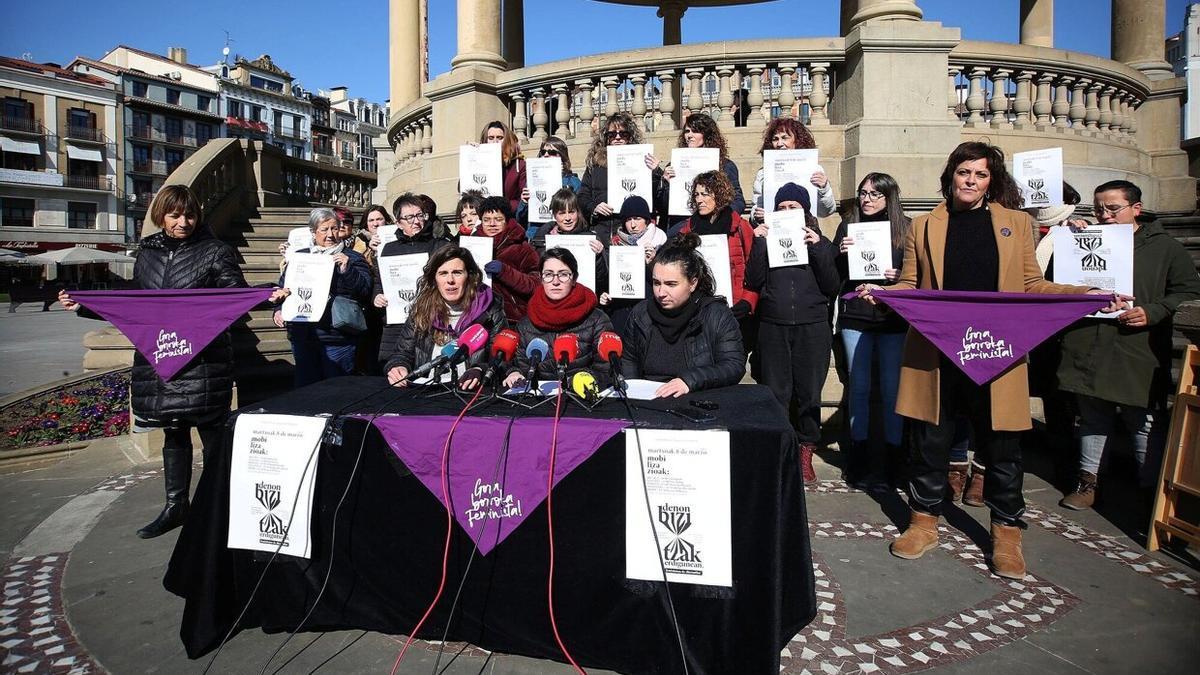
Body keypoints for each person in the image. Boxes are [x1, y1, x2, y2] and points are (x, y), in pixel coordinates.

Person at [858, 141, 1124, 580]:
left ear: (991, 181)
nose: (971, 181)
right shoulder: (923, 226)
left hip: (997, 354)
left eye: (980, 175)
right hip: (938, 355)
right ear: (951, 176)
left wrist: (1084, 295)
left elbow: (1032, 285)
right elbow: (910, 284)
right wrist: (884, 296)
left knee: (1002, 449)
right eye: (964, 172)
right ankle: (923, 523)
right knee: (930, 444)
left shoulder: (1017, 223)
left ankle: (1006, 532)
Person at [59, 185, 285, 539]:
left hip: (205, 359)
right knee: (173, 431)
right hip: (159, 355)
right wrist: (85, 306)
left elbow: (232, 292)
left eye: (190, 215)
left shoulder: (214, 251)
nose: (184, 222)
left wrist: (265, 295)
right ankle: (175, 506)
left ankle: (216, 509)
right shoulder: (146, 254)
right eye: (175, 215)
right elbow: (137, 301)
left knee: (212, 433)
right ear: (160, 215)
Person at [1056, 180, 1200, 511]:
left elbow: (1188, 291)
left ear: (1136, 208)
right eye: (1098, 209)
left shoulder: (1166, 248)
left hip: (1138, 347)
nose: (1104, 216)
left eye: (1112, 208)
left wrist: (1153, 311)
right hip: (1090, 344)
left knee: (1143, 421)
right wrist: (1069, 238)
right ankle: (1087, 481)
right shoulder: (1085, 237)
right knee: (1092, 417)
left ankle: (1152, 490)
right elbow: (1058, 280)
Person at [748, 183, 839, 484]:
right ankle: (781, 448)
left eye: (793, 207)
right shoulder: (766, 239)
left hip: (812, 326)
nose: (787, 212)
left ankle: (806, 449)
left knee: (809, 393)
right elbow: (754, 279)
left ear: (805, 211)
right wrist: (759, 243)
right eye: (782, 208)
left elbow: (831, 285)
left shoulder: (820, 242)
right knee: (776, 392)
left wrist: (818, 249)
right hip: (773, 325)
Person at [832, 173, 911, 490]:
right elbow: (835, 277)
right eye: (863, 193)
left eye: (875, 194)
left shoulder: (905, 227)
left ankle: (895, 458)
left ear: (888, 197)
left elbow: (918, 273)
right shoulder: (848, 226)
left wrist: (899, 274)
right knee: (859, 388)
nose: (867, 199)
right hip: (857, 318)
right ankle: (858, 456)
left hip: (892, 320)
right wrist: (840, 253)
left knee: (893, 391)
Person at [621, 233, 746, 397]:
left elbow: (733, 365)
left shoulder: (716, 315)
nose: (661, 292)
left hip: (698, 399)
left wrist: (689, 381)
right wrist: (632, 394)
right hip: (647, 402)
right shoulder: (640, 314)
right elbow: (629, 361)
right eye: (656, 283)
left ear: (693, 283)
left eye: (671, 284)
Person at [380, 245, 508, 387]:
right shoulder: (421, 309)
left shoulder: (491, 311)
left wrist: (480, 370)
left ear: (469, 276)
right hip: (426, 392)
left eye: (457, 272)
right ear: (434, 278)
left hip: (470, 395)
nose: (450, 280)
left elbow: (502, 362)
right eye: (443, 273)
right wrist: (399, 366)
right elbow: (402, 354)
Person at [274, 207, 373, 387]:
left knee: (337, 390)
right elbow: (284, 286)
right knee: (306, 392)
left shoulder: (353, 258)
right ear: (313, 232)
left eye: (334, 228)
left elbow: (365, 291)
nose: (330, 234)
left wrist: (346, 269)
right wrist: (279, 309)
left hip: (337, 337)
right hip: (303, 335)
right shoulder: (300, 257)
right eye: (324, 229)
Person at [504, 247, 613, 388]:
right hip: (537, 401)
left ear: (574, 278)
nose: (555, 282)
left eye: (563, 274)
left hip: (581, 399)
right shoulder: (527, 322)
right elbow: (516, 363)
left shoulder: (597, 320)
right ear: (541, 279)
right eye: (548, 274)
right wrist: (514, 373)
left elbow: (605, 369)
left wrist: (580, 381)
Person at [676, 170, 758, 321]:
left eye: (705, 194)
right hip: (699, 311)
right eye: (696, 195)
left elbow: (755, 268)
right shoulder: (687, 230)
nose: (699, 199)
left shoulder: (740, 227)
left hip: (736, 310)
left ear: (719, 194)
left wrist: (748, 300)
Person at [577, 111, 665, 242]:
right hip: (602, 230)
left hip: (632, 233)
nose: (617, 138)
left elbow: (657, 198)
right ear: (606, 138)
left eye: (623, 133)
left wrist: (657, 172)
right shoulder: (595, 165)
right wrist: (594, 207)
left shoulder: (643, 161)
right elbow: (583, 196)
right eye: (612, 134)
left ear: (630, 137)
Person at [660, 113, 745, 229]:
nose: (689, 135)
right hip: (682, 226)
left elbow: (738, 201)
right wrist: (666, 184)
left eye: (695, 131)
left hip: (714, 225)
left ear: (707, 134)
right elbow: (663, 207)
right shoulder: (674, 165)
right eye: (687, 131)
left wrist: (720, 218)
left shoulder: (725, 166)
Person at [598, 195, 667, 333]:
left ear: (647, 220)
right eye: (628, 220)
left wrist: (651, 263)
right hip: (621, 313)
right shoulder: (615, 244)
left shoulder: (661, 243)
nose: (633, 224)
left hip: (650, 313)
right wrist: (605, 295)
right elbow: (608, 279)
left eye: (637, 218)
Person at [750, 117, 836, 226]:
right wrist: (757, 217)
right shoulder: (763, 173)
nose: (779, 143)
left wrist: (824, 188)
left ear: (797, 140)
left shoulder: (814, 169)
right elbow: (755, 209)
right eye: (775, 139)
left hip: (806, 231)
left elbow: (826, 211)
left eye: (785, 138)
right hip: (775, 230)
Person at [373, 194, 451, 310]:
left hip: (432, 314)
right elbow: (380, 281)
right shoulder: (389, 249)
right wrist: (377, 296)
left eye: (420, 215)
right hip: (397, 318)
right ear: (398, 223)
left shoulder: (440, 246)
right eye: (409, 217)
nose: (416, 221)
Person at [477, 196, 540, 322]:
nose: (492, 224)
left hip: (514, 319)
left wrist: (505, 272)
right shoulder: (472, 246)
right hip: (480, 317)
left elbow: (535, 284)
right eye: (487, 220)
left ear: (506, 220)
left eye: (498, 219)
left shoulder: (522, 248)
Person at [519, 136, 582, 237]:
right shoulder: (532, 181)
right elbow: (520, 219)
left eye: (552, 152)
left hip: (563, 234)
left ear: (562, 156)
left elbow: (580, 215)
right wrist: (524, 202)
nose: (546, 155)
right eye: (543, 152)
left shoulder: (573, 182)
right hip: (536, 235)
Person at [530, 188, 602, 255]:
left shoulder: (591, 239)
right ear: (554, 215)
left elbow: (600, 268)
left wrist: (599, 254)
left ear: (578, 212)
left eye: (571, 212)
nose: (567, 218)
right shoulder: (542, 238)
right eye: (562, 213)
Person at [480, 120, 526, 215]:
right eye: (491, 138)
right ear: (485, 140)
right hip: (483, 217)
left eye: (500, 138)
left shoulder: (519, 165)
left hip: (508, 217)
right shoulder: (479, 162)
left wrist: (502, 206)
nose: (495, 141)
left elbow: (522, 199)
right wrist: (472, 157)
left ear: (506, 140)